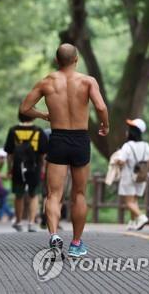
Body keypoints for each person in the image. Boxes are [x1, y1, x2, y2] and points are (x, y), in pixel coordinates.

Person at [20, 43, 109, 257]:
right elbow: (101, 107)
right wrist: (105, 125)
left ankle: (53, 235)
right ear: (76, 59)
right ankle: (76, 243)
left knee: (54, 194)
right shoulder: (88, 81)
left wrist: (45, 115)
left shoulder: (47, 82)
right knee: (79, 193)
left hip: (58, 138)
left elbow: (24, 109)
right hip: (80, 139)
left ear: (57, 60)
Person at [4, 111, 49, 232]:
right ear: (33, 117)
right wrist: (43, 168)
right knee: (33, 194)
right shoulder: (39, 131)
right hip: (34, 167)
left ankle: (18, 222)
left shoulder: (13, 131)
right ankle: (31, 222)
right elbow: (43, 154)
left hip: (18, 167)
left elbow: (9, 153)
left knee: (18, 194)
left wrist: (9, 169)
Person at [116, 119, 149, 231]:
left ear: (133, 132)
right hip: (141, 177)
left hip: (128, 176)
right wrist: (142, 170)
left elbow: (121, 161)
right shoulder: (146, 145)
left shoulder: (128, 146)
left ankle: (141, 217)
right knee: (134, 200)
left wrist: (116, 160)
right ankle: (132, 222)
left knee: (128, 202)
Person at [0, 148, 14, 222]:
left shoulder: (8, 165)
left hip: (5, 186)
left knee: (2, 202)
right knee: (2, 202)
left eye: (1, 157)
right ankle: (10, 214)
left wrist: (1, 175)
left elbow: (10, 176)